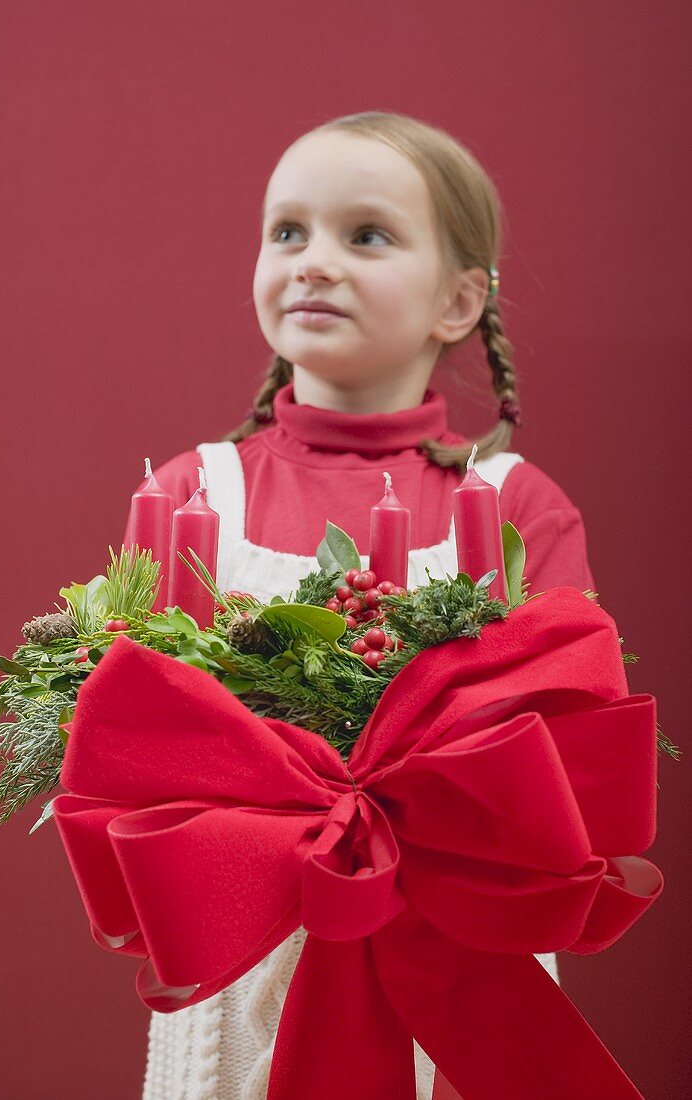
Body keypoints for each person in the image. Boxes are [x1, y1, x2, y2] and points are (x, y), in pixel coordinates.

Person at [123, 110, 596, 1100]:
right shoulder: (190, 494)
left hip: (455, 956)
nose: (314, 261)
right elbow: (128, 731)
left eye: (366, 235)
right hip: (245, 953)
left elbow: (562, 751)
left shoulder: (519, 508)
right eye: (287, 231)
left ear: (460, 299)